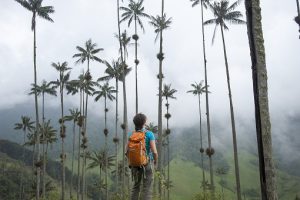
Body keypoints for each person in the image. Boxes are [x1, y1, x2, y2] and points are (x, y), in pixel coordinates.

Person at [127, 113, 158, 200]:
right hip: (147, 164)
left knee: (135, 187)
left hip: (135, 165)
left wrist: (133, 162)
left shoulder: (132, 134)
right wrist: (155, 161)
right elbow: (155, 152)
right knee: (147, 189)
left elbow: (126, 152)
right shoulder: (149, 134)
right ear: (144, 122)